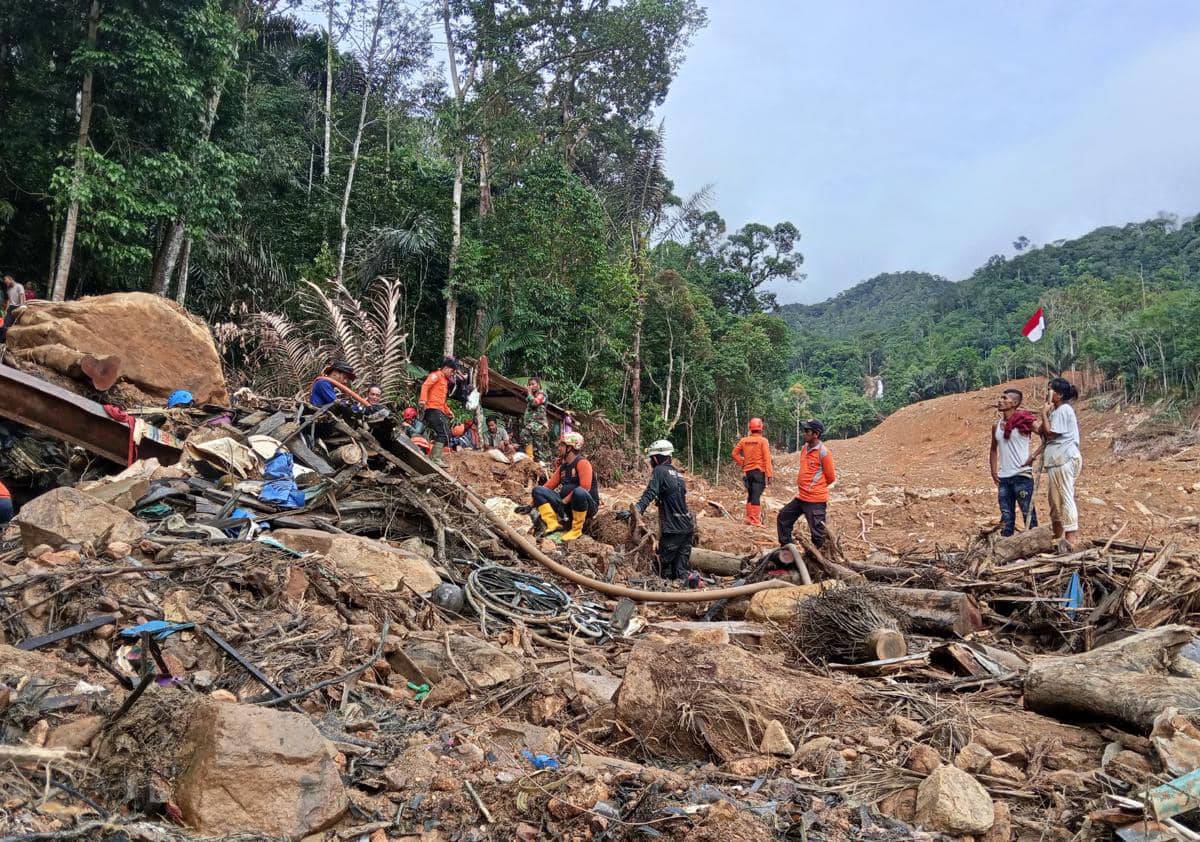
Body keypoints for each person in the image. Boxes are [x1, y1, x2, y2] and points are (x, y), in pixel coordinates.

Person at [618, 440, 694, 580]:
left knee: (658, 567)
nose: (650, 462)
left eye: (651, 459)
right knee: (680, 572)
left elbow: (650, 493)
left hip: (673, 530)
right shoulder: (678, 475)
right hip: (687, 528)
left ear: (656, 458)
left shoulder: (660, 471)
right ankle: (693, 591)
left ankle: (666, 594)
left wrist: (635, 510)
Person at [777, 419, 835, 551]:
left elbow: (831, 477)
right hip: (801, 497)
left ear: (816, 434)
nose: (804, 433)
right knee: (783, 518)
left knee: (818, 535)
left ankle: (822, 562)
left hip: (815, 500)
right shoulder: (804, 448)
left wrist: (815, 488)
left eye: (807, 431)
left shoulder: (824, 452)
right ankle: (787, 551)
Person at [1039, 377, 1082, 550]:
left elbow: (1050, 434)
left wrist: (1043, 413)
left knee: (1066, 496)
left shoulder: (1064, 410)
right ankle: (1057, 537)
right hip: (1056, 460)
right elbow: (1042, 431)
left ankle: (1071, 539)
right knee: (1054, 501)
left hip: (1064, 458)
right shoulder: (1056, 412)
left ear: (1060, 394)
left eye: (1050, 390)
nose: (1047, 393)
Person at [989, 388, 1039, 536]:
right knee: (1006, 518)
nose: (1000, 400)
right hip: (1004, 477)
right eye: (1000, 397)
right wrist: (993, 470)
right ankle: (1006, 549)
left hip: (1022, 476)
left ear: (1015, 402)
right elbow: (993, 449)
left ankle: (1034, 547)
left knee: (1028, 516)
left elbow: (1046, 435)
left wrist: (1033, 456)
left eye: (1005, 398)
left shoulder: (1025, 421)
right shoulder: (996, 426)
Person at [531, 432, 598, 541]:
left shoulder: (582, 463)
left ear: (570, 448)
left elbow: (585, 488)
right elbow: (548, 487)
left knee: (579, 492)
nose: (559, 448)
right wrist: (531, 504)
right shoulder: (563, 467)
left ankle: (576, 530)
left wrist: (564, 501)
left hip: (586, 506)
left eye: (562, 445)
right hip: (566, 505)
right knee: (538, 490)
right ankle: (553, 524)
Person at [732, 417, 772, 526]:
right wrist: (769, 474)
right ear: (760, 428)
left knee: (750, 494)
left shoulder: (744, 441)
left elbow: (734, 453)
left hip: (748, 472)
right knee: (756, 495)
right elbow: (767, 458)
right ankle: (755, 520)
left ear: (750, 428)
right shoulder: (763, 441)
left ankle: (749, 518)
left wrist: (743, 462)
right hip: (759, 472)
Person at [419, 357, 458, 466]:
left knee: (447, 434)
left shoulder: (444, 381)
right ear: (445, 368)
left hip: (438, 410)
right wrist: (422, 399)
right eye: (452, 371)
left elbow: (442, 401)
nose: (452, 374)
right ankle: (435, 458)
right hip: (432, 409)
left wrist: (448, 411)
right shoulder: (436, 375)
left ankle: (433, 457)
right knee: (443, 433)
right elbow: (425, 385)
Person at [521, 377, 551, 462]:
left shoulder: (542, 394)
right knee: (537, 448)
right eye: (529, 384)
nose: (530, 386)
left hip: (539, 424)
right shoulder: (531, 396)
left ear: (538, 385)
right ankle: (538, 462)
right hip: (533, 425)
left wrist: (529, 393)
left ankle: (529, 458)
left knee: (525, 432)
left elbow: (535, 403)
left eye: (533, 384)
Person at [2, 274, 27, 342]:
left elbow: (22, 296)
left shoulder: (19, 286)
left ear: (10, 279)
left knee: (15, 326)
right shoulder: (9, 289)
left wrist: (22, 306)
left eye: (6, 280)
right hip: (11, 307)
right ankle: (2, 341)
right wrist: (6, 310)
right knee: (5, 325)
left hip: (18, 307)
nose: (5, 281)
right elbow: (9, 300)